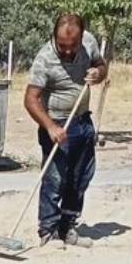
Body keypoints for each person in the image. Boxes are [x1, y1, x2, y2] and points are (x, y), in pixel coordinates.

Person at [24, 13, 108, 248]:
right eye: (63, 46)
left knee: (80, 177)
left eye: (73, 46)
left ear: (82, 37)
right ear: (54, 37)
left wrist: (98, 73)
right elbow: (31, 100)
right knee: (55, 179)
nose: (68, 52)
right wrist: (50, 126)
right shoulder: (45, 59)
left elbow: (101, 66)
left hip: (82, 122)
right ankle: (48, 232)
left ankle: (68, 226)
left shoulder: (89, 42)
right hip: (56, 124)